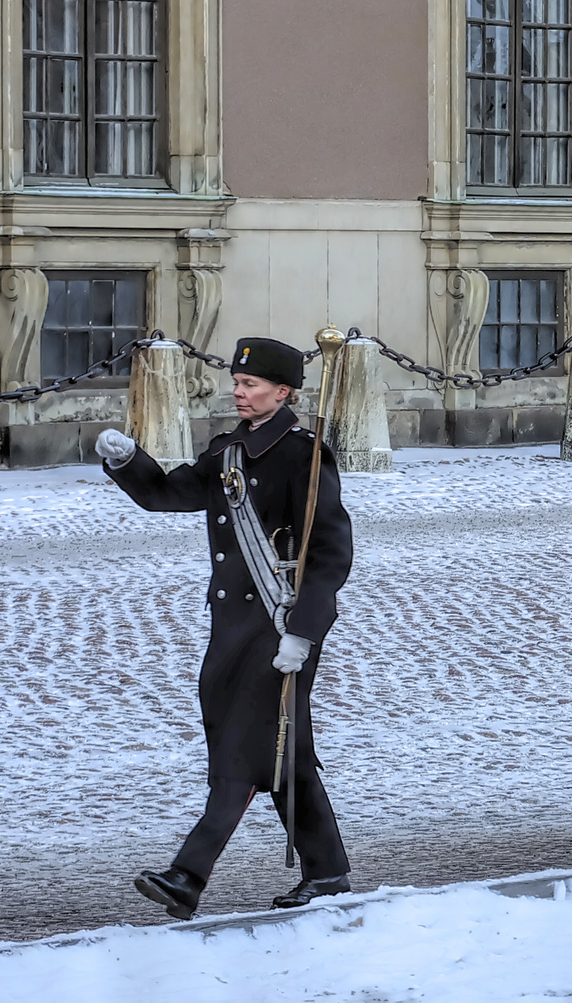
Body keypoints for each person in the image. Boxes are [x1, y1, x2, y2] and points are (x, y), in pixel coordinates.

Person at [93, 336, 355, 920]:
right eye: (237, 383)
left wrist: (304, 632)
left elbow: (331, 552)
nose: (238, 391)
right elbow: (166, 496)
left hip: (279, 625)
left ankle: (188, 875)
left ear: (282, 392)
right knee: (283, 755)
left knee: (244, 750)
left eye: (251, 385)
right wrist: (126, 460)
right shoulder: (229, 450)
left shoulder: (302, 453)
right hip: (232, 627)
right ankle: (329, 870)